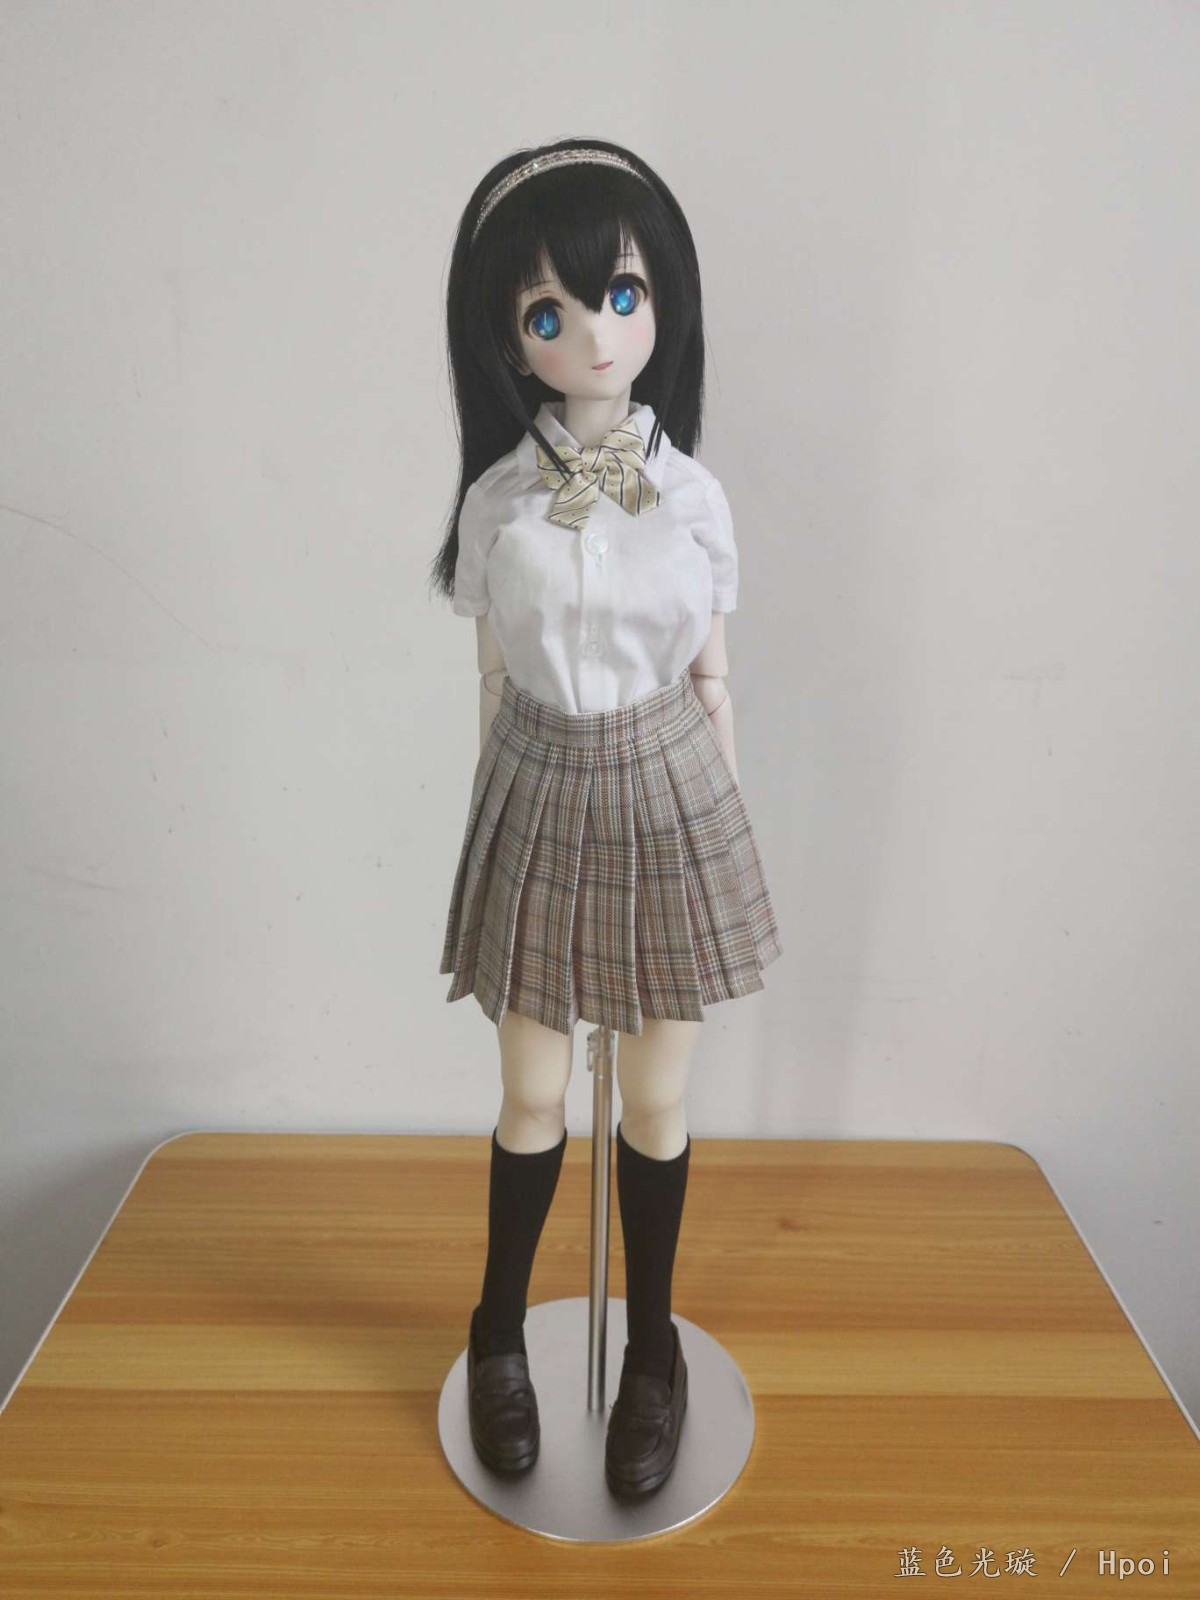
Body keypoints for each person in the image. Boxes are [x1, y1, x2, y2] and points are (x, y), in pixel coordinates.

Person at [430, 137, 782, 1498]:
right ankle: (496, 1330)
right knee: (530, 1090)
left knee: (657, 1093)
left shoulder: (692, 499)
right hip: (535, 780)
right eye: (549, 310)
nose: (591, 334)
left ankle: (653, 1352)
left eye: (620, 296)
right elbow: (489, 680)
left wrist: (722, 840)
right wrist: (493, 826)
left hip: (670, 791)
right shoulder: (499, 502)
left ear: (663, 303)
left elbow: (714, 678)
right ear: (507, 338)